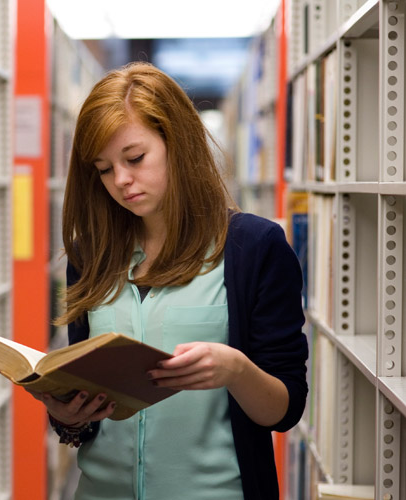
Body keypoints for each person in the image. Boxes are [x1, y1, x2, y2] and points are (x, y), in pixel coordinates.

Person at [38, 62, 308, 500]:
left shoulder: (254, 248)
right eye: (104, 169)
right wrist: (68, 415)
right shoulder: (90, 254)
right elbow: (86, 418)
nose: (121, 181)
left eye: (135, 158)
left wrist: (236, 370)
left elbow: (285, 409)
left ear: (177, 142)